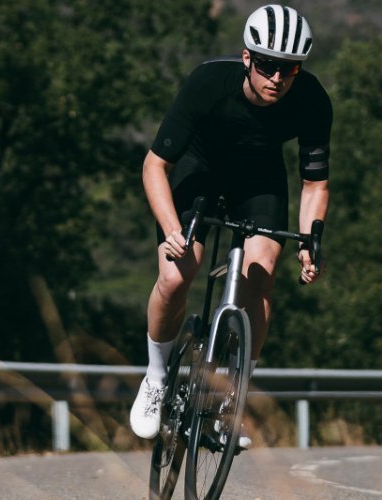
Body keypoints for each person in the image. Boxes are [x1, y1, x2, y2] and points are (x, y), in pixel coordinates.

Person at [128, 4, 330, 442]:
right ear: (247, 58)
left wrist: (310, 241)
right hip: (199, 171)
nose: (277, 77)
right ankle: (157, 377)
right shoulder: (207, 83)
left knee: (262, 272)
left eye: (289, 69)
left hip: (258, 179)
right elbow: (154, 165)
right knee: (176, 274)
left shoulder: (312, 100)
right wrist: (171, 231)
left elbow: (315, 185)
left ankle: (228, 398)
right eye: (267, 65)